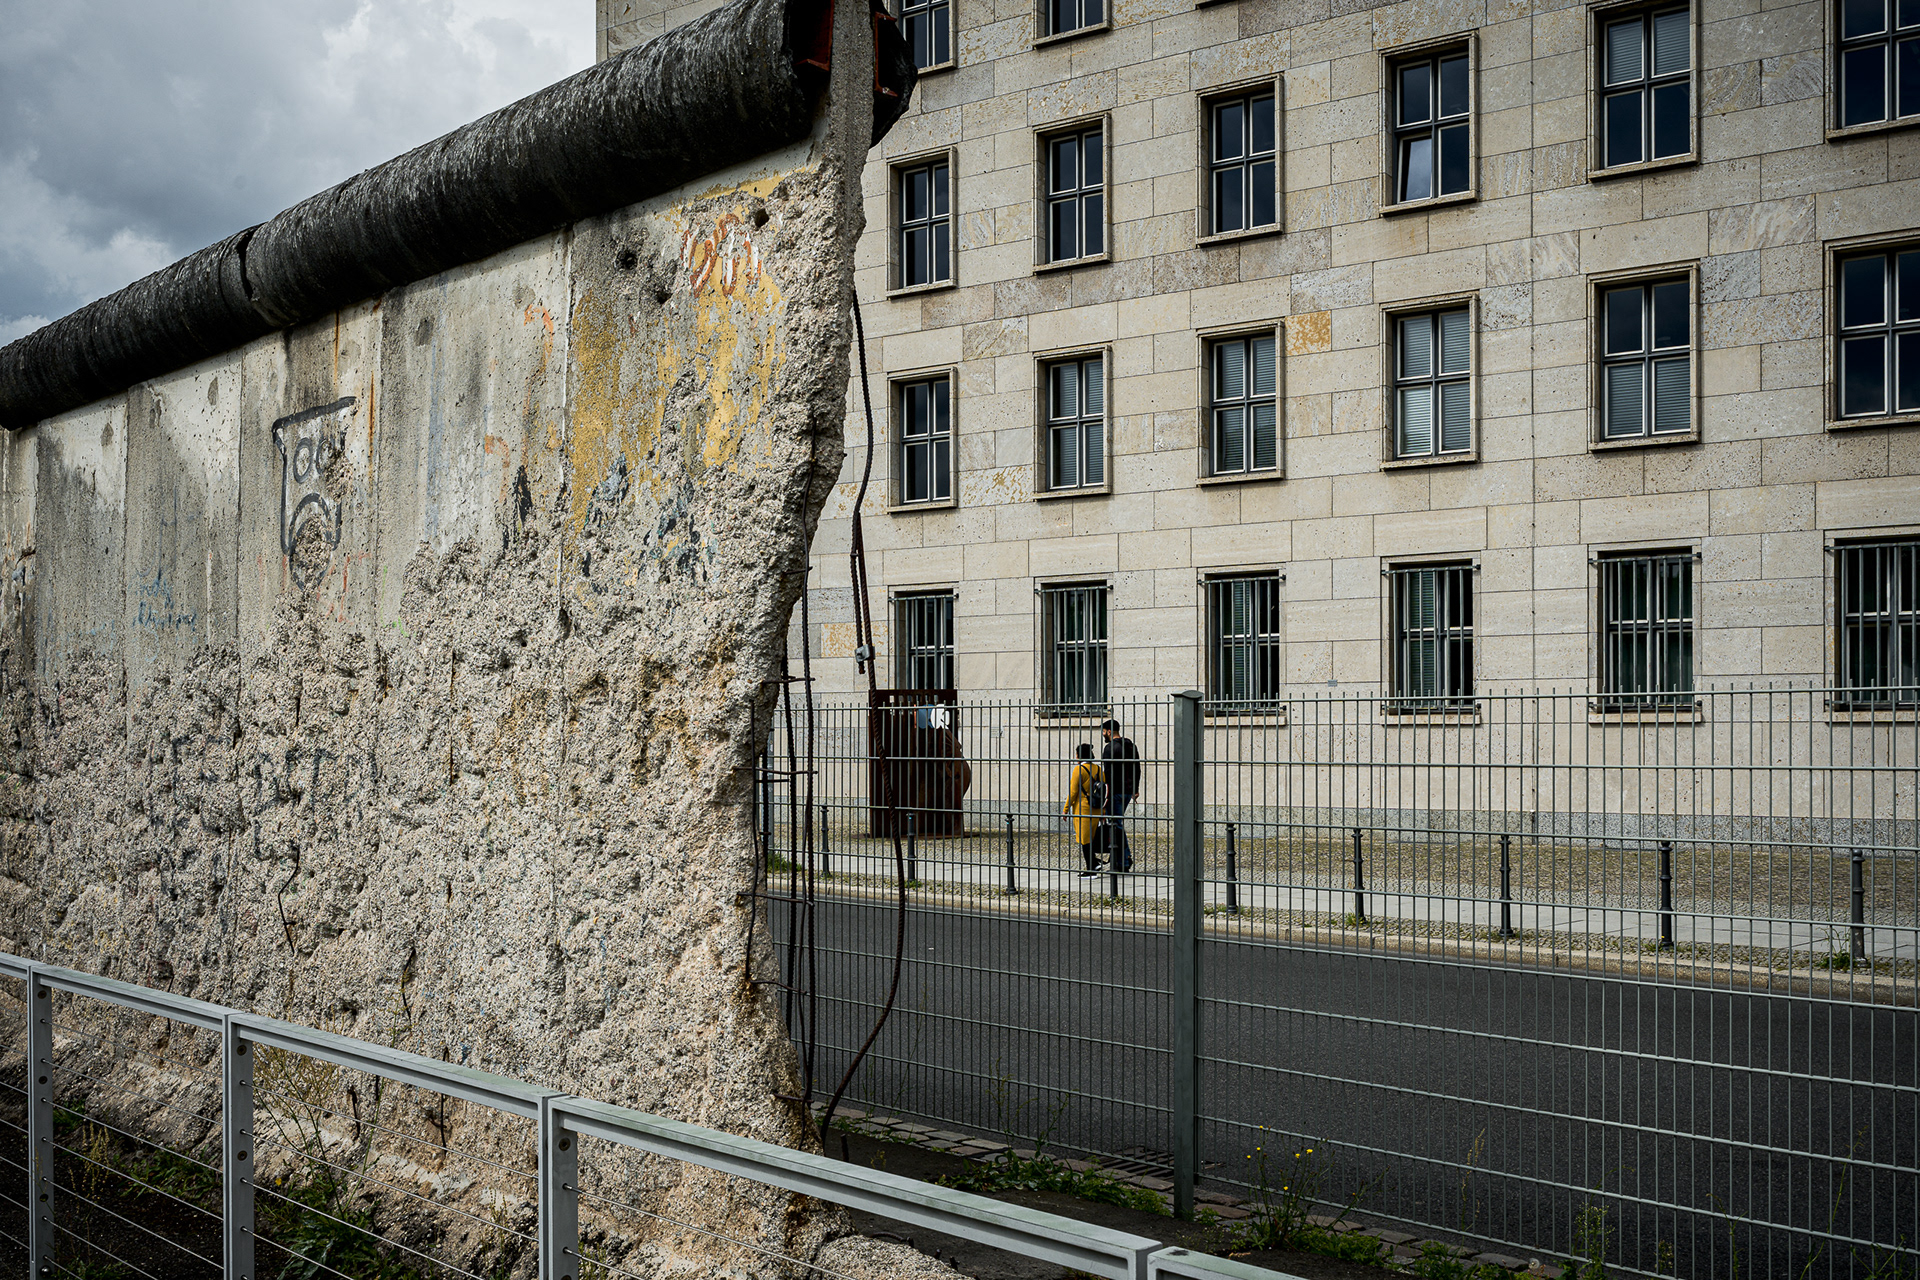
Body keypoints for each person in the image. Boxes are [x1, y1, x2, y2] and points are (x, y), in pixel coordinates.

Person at [1099, 718, 1140, 872]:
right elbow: (1137, 767)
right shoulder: (1130, 746)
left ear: (1109, 731)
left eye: (1103, 732)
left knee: (1115, 826)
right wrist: (1135, 789)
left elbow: (1107, 775)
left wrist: (1106, 797)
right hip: (1128, 791)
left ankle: (1123, 861)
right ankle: (1123, 859)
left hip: (1115, 792)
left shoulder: (1110, 748)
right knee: (1117, 825)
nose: (1103, 734)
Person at [1063, 742, 1106, 877]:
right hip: (1097, 809)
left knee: (1084, 840)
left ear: (1079, 755)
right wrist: (1104, 811)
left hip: (1083, 810)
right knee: (1090, 839)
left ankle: (1091, 869)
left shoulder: (1079, 770)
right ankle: (1094, 863)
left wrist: (1065, 809)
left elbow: (1073, 792)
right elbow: (1104, 790)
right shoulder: (1098, 769)